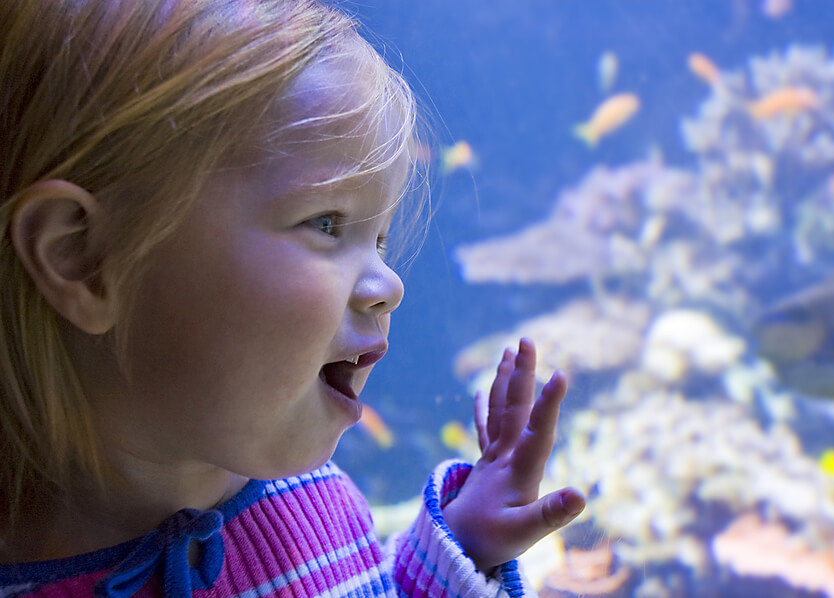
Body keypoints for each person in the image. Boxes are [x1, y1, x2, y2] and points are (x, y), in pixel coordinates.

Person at [0, 1, 587, 596]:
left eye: (379, 239)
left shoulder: (318, 507)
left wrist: (463, 549)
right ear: (84, 259)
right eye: (327, 223)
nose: (391, 285)